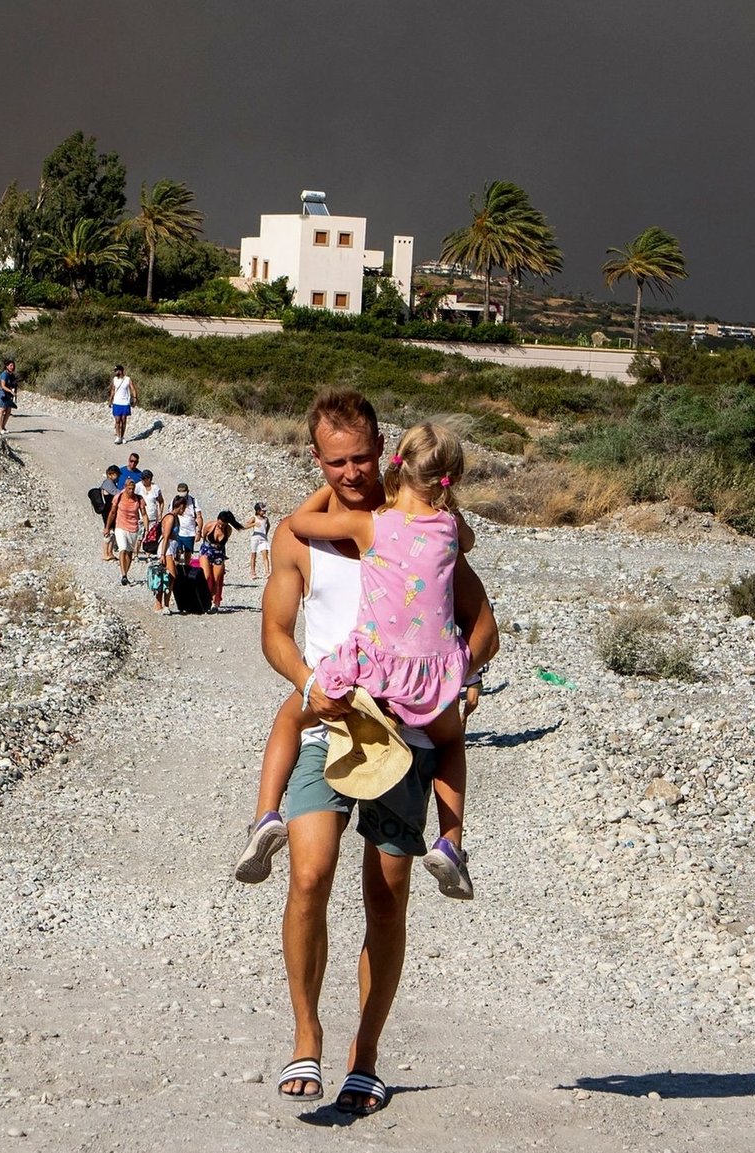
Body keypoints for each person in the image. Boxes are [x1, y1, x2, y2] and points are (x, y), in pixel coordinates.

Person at [253, 391, 498, 1114]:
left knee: (385, 899)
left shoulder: (417, 524)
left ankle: (366, 1054)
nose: (353, 471)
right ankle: (306, 1033)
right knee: (308, 874)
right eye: (337, 461)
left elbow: (484, 625)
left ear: (382, 448)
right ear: (317, 460)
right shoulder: (302, 538)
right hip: (329, 720)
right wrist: (305, 682)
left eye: (363, 457)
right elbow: (273, 631)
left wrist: (461, 678)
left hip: (410, 735)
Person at [153, 495, 192, 613]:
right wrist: (163, 555)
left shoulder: (176, 518)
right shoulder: (170, 518)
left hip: (172, 548)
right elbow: (166, 537)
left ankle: (163, 604)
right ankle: (162, 605)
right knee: (170, 576)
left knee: (167, 577)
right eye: (183, 508)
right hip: (166, 548)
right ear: (180, 506)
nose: (184, 510)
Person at [200, 510, 243, 610]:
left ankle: (213, 602)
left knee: (216, 580)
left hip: (219, 553)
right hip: (207, 550)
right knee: (206, 576)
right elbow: (204, 535)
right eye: (219, 523)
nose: (220, 526)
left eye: (222, 524)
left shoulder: (228, 530)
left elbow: (224, 542)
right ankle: (203, 598)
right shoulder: (210, 526)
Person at [108, 475, 146, 586]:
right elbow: (112, 512)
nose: (131, 491)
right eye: (129, 488)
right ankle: (123, 575)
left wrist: (147, 528)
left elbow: (143, 514)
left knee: (129, 552)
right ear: (125, 487)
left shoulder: (139, 498)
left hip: (133, 527)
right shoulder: (118, 497)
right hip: (120, 526)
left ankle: (126, 574)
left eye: (133, 489)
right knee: (123, 549)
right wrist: (107, 527)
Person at [94, 464, 123, 561]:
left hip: (111, 510)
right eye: (116, 474)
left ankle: (110, 552)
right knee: (108, 530)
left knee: (112, 531)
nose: (117, 477)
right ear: (110, 474)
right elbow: (115, 493)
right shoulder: (107, 483)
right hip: (107, 511)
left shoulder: (111, 483)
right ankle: (105, 553)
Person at [109, 364, 136, 444]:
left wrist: (135, 398)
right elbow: (113, 390)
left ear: (120, 371)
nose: (115, 372)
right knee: (117, 420)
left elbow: (133, 389)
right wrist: (110, 400)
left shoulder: (128, 379)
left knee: (123, 420)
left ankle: (122, 436)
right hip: (116, 402)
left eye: (116, 371)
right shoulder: (114, 379)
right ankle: (118, 437)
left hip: (125, 403)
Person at [246, 502, 273, 581]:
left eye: (265, 511)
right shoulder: (254, 518)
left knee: (265, 554)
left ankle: (267, 572)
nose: (264, 512)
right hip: (255, 538)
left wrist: (266, 533)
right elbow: (245, 526)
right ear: (257, 511)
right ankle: (253, 572)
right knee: (253, 555)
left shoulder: (266, 519)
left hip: (263, 538)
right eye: (262, 511)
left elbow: (268, 525)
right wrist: (253, 524)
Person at [0, 359, 19, 433]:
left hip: (9, 394)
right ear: (7, 366)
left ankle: (3, 427)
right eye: (10, 365)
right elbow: (3, 386)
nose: (12, 367)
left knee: (8, 411)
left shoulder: (11, 375)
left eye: (13, 365)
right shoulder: (4, 374)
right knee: (1, 410)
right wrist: (11, 391)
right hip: (3, 393)